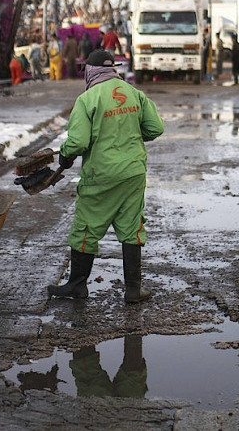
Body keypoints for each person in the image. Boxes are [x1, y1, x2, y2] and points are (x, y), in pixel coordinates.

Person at [49, 49, 164, 304]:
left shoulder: (87, 99)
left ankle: (78, 285)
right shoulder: (134, 93)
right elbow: (156, 127)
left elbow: (78, 141)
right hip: (133, 172)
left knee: (87, 226)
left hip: (102, 175)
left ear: (90, 72)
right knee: (132, 226)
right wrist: (131, 138)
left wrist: (65, 156)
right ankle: (134, 289)